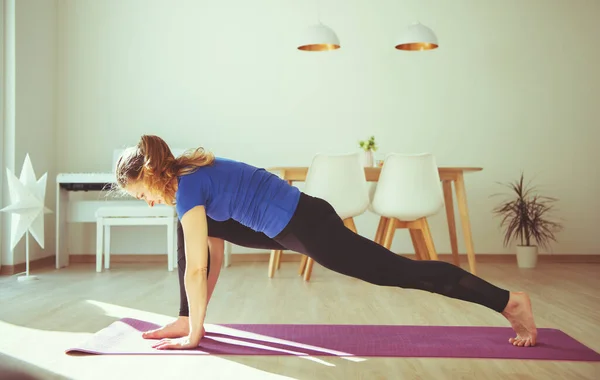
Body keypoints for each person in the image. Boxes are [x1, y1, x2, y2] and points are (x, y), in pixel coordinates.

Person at [114, 134, 538, 350]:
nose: (148, 203)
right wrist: (194, 319)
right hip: (286, 222)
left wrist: (196, 331)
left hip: (306, 224)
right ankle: (186, 318)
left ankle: (507, 301)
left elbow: (196, 268)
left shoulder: (188, 189)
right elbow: (210, 255)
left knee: (400, 272)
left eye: (141, 195)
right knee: (190, 234)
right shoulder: (190, 175)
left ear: (151, 177)